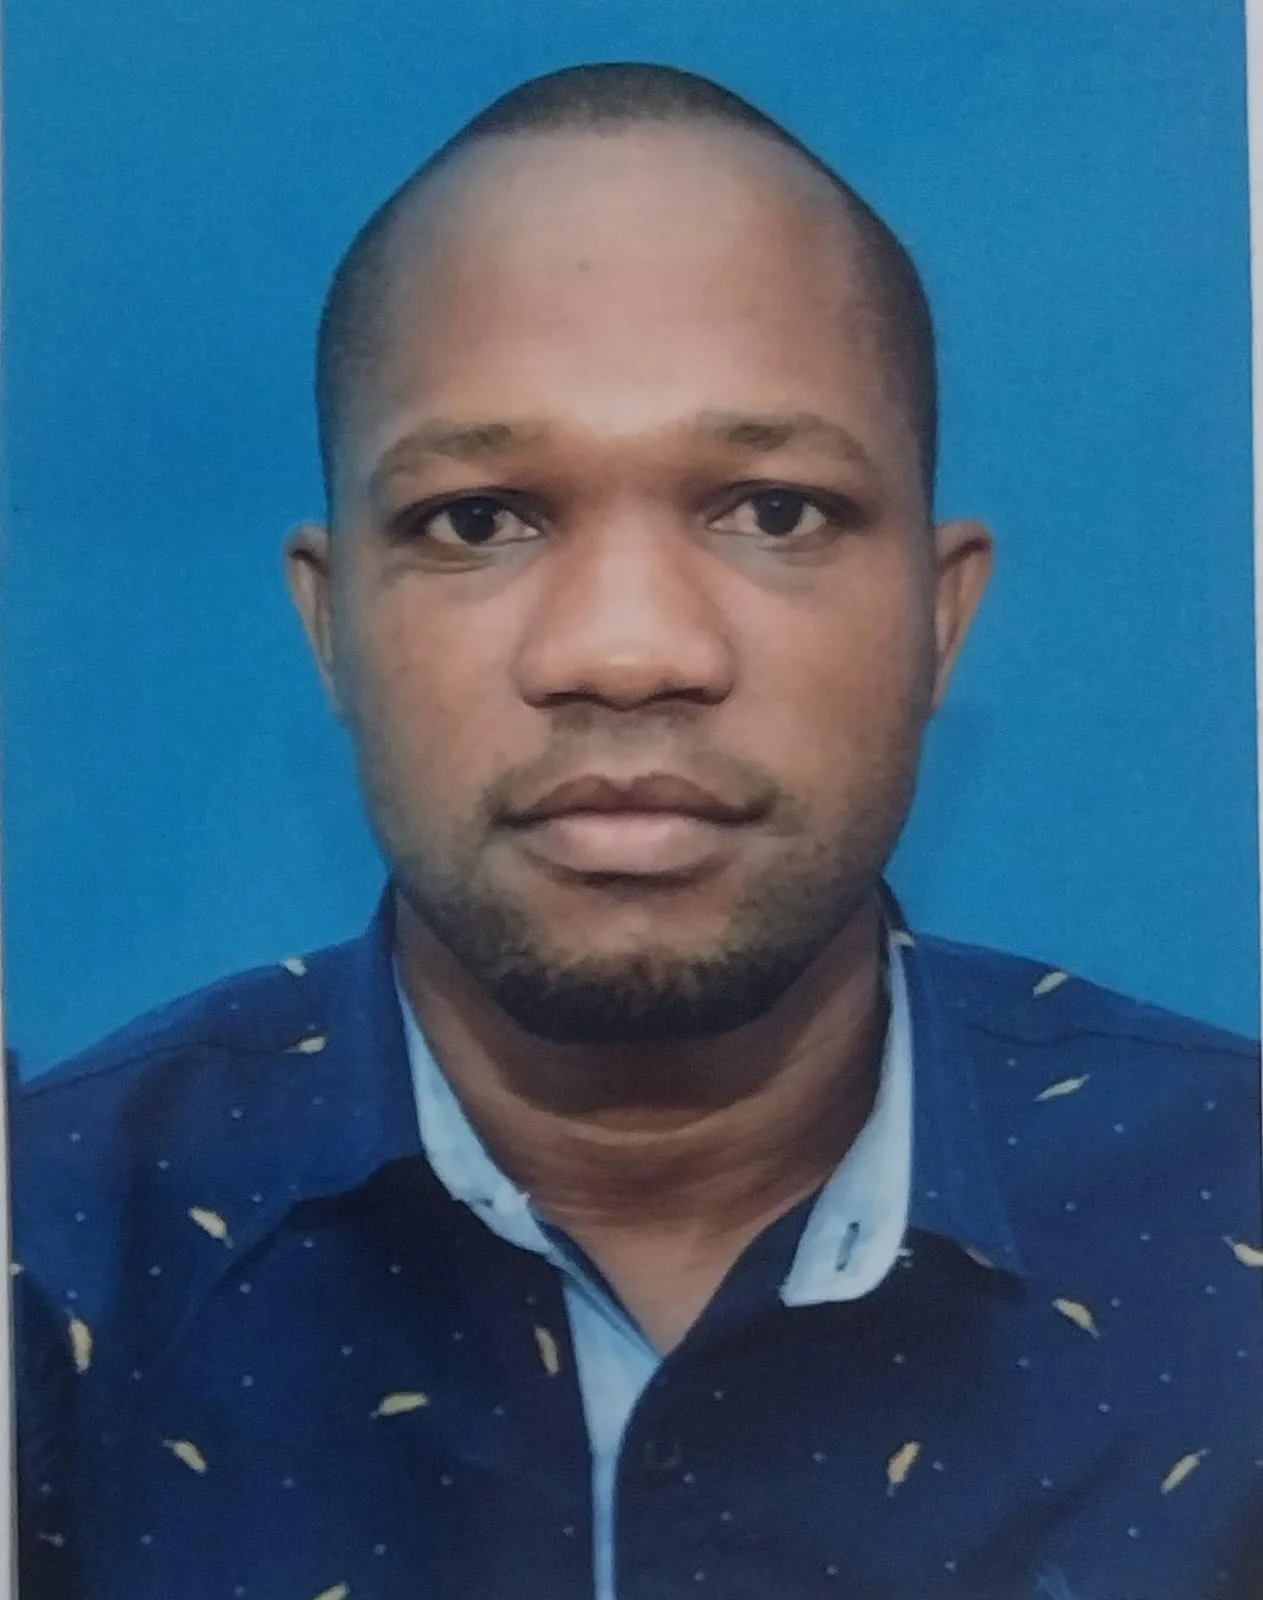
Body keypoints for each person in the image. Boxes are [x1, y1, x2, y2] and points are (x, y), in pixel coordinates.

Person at [11, 61, 1261, 1600]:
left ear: (938, 621)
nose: (626, 649)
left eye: (773, 510)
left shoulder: (1230, 1231)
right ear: (331, 630)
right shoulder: (45, 1262)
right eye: (479, 518)